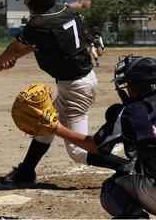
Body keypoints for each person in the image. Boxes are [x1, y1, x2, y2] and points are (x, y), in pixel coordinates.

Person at [0, 0, 127, 185]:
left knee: (77, 151)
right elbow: (34, 44)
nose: (25, 1)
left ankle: (127, 167)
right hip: (79, 81)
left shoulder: (39, 23)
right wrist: (12, 59)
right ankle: (26, 171)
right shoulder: (64, 11)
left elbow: (18, 46)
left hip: (75, 88)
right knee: (44, 125)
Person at [12, 55, 156, 219]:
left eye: (128, 83)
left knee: (112, 187)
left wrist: (55, 128)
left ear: (136, 85)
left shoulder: (131, 111)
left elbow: (95, 145)